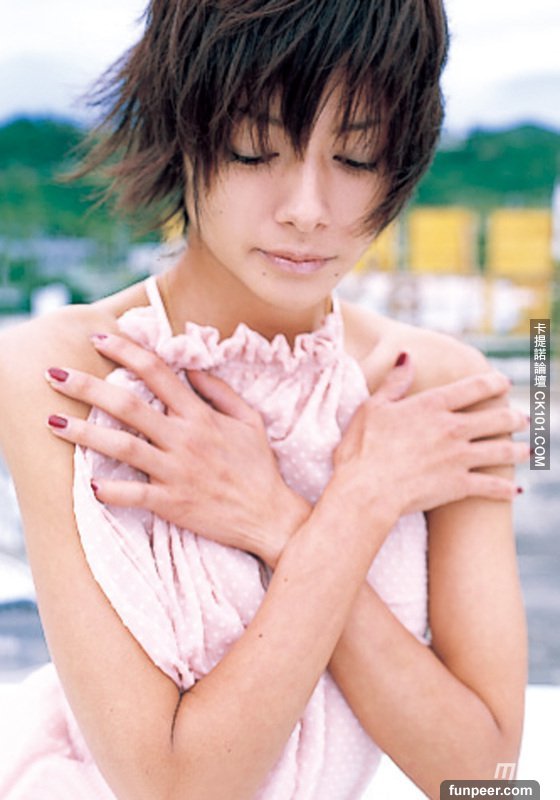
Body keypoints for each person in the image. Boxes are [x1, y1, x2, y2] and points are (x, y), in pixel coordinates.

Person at [0, 1, 529, 798]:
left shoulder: (435, 391)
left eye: (356, 157)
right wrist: (353, 509)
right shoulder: (65, 370)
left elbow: (486, 778)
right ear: (183, 131)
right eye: (253, 148)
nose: (308, 209)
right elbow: (171, 789)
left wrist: (296, 516)